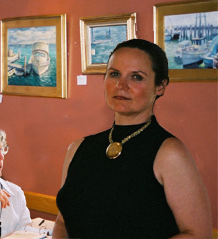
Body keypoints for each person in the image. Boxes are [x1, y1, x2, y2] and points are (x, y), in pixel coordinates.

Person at [53, 39, 212, 239]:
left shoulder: (169, 153)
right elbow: (62, 221)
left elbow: (198, 235)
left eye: (136, 77)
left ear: (160, 86)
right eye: (114, 74)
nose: (121, 85)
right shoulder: (78, 148)